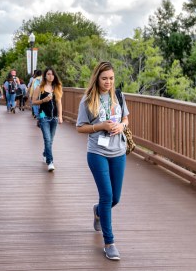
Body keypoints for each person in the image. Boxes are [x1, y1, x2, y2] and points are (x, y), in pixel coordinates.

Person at [76, 61, 129, 261]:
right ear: (97, 78)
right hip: (97, 152)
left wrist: (121, 127)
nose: (108, 82)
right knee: (106, 195)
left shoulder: (120, 96)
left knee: (115, 198)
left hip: (118, 151)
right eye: (104, 78)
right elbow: (80, 127)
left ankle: (98, 211)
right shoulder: (88, 100)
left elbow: (125, 120)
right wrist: (100, 126)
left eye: (111, 78)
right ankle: (109, 242)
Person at [32, 67, 63, 172]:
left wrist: (60, 116)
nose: (51, 76)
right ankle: (50, 162)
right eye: (49, 74)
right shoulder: (39, 88)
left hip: (54, 117)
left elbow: (59, 102)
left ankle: (45, 153)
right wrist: (43, 100)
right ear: (45, 75)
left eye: (53, 74)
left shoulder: (57, 88)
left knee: (51, 140)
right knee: (47, 139)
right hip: (43, 116)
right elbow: (33, 101)